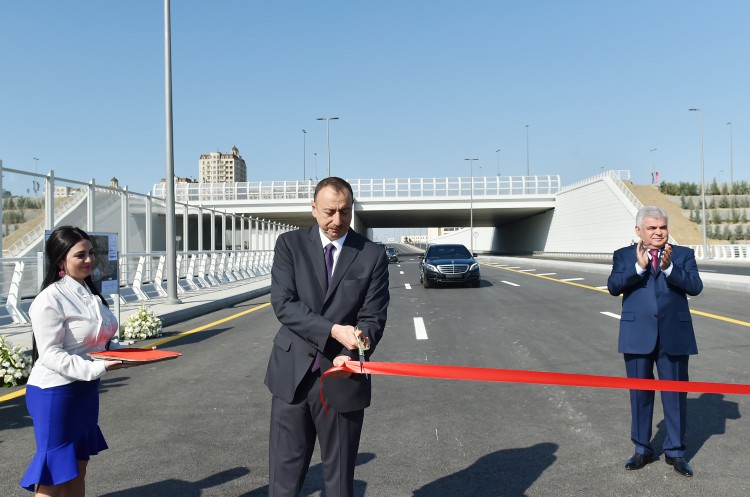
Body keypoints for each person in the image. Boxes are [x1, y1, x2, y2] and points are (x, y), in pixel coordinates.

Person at [264, 177, 390, 497]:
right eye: (329, 212)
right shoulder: (289, 246)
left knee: (339, 482)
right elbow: (284, 305)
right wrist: (333, 330)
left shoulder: (372, 255)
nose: (337, 220)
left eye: (345, 212)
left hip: (343, 376)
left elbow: (372, 317)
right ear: (313, 209)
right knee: (283, 479)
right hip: (291, 376)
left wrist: (357, 344)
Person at [20, 226, 135, 495]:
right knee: (53, 474)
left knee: (78, 468)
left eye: (91, 253)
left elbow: (99, 340)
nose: (89, 260)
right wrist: (100, 367)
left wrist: (124, 352)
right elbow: (50, 354)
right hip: (54, 393)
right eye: (80, 255)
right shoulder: (50, 299)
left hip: (85, 391)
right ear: (61, 261)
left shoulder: (90, 293)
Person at [607, 206, 703, 477]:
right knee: (639, 394)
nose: (659, 232)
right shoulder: (624, 256)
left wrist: (670, 268)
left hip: (674, 335)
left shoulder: (683, 255)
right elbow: (614, 287)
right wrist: (639, 268)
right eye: (652, 228)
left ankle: (676, 452)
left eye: (662, 227)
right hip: (638, 335)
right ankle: (642, 449)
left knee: (675, 395)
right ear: (639, 231)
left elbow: (695, 287)